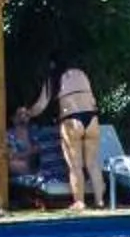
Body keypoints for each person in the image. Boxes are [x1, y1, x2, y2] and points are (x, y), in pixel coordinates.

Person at [25, 50, 102, 210]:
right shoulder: (82, 74)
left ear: (52, 64)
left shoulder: (53, 78)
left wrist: (28, 113)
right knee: (92, 163)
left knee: (75, 166)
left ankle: (79, 202)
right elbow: (93, 98)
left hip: (72, 119)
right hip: (92, 118)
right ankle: (100, 201)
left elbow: (41, 105)